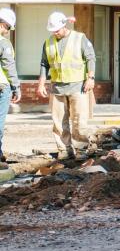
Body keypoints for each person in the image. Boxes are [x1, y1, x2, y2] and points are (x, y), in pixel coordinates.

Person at [36, 11, 94, 160]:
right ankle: (64, 150)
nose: (55, 32)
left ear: (64, 25)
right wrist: (41, 84)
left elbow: (90, 58)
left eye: (57, 30)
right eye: (52, 30)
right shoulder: (48, 43)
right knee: (59, 122)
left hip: (78, 87)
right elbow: (44, 64)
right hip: (57, 87)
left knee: (79, 120)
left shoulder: (79, 38)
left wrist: (90, 78)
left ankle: (81, 150)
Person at [0, 9, 19, 170]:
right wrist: (16, 87)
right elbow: (8, 66)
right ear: (2, 25)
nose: (7, 32)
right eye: (8, 28)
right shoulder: (3, 43)